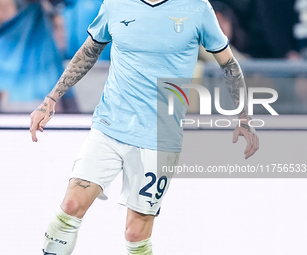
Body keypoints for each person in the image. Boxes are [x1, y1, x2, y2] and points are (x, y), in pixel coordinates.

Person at [30, 0, 259, 254]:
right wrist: (51, 99)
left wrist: (244, 116)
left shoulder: (196, 7)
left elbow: (228, 64)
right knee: (71, 205)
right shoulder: (115, 4)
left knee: (136, 232)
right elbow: (89, 51)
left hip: (160, 138)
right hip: (110, 125)